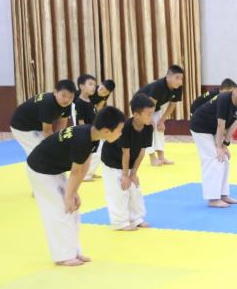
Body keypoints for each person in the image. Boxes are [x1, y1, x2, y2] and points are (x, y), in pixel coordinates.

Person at [26, 106, 126, 265]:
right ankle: (63, 256)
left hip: (53, 169)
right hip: (40, 170)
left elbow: (84, 167)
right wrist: (69, 195)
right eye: (119, 130)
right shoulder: (82, 140)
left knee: (73, 209)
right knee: (61, 209)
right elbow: (75, 171)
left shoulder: (92, 135)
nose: (121, 134)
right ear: (107, 131)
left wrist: (74, 192)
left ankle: (73, 252)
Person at [190, 77, 237, 207]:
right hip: (200, 127)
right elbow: (221, 125)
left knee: (224, 158)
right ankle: (213, 199)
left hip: (212, 129)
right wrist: (218, 146)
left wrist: (225, 145)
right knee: (213, 158)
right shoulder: (224, 99)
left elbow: (234, 123)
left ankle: (223, 194)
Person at [101, 94, 155, 230]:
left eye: (152, 113)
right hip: (112, 160)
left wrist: (134, 173)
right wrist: (125, 175)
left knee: (135, 188)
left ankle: (136, 218)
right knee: (120, 190)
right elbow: (126, 153)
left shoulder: (148, 127)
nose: (151, 117)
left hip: (129, 161)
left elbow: (142, 151)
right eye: (148, 114)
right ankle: (120, 222)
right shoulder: (125, 127)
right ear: (136, 115)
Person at [10, 80, 76, 156]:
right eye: (63, 95)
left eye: (70, 97)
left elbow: (62, 123)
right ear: (55, 92)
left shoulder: (68, 104)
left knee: (48, 150)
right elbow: (47, 131)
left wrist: (58, 141)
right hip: (21, 125)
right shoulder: (48, 103)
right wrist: (55, 146)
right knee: (38, 153)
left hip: (36, 125)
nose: (66, 100)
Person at [136, 65, 185, 166]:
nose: (179, 81)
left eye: (181, 79)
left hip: (154, 106)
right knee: (149, 129)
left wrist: (162, 121)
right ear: (168, 77)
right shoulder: (159, 85)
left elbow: (172, 105)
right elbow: (150, 104)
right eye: (177, 78)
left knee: (159, 128)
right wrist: (149, 120)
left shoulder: (178, 88)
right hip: (140, 106)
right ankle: (152, 158)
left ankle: (161, 158)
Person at [73, 74, 103, 181]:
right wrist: (86, 135)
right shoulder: (79, 103)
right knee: (91, 154)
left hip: (94, 131)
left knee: (96, 153)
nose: (93, 87)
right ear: (81, 86)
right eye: (90, 84)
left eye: (94, 85)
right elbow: (80, 121)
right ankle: (85, 174)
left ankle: (90, 172)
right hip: (87, 133)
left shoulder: (90, 101)